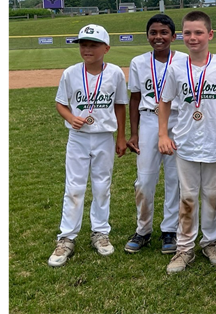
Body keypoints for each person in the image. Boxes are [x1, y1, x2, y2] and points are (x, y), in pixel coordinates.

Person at [157, 11, 216, 274]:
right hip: (186, 142)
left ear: (210, 35)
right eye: (188, 33)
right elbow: (164, 101)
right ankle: (184, 248)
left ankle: (211, 242)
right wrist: (163, 134)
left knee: (213, 194)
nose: (193, 38)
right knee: (188, 197)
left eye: (198, 32)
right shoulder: (176, 67)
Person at [48, 24, 128, 267]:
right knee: (74, 186)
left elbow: (120, 105)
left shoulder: (115, 73)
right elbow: (60, 103)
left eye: (93, 45)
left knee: (102, 185)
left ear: (106, 48)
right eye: (83, 44)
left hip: (104, 136)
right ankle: (67, 237)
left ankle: (100, 232)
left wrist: (122, 137)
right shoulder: (71, 73)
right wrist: (70, 117)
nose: (87, 49)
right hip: (79, 138)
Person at [122, 14, 187, 255]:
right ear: (147, 35)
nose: (158, 37)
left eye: (163, 32)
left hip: (177, 120)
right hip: (149, 119)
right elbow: (135, 97)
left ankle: (170, 229)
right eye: (153, 32)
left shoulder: (184, 60)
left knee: (175, 179)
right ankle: (143, 229)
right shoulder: (139, 62)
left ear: (173, 36)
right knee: (145, 179)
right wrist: (133, 133)